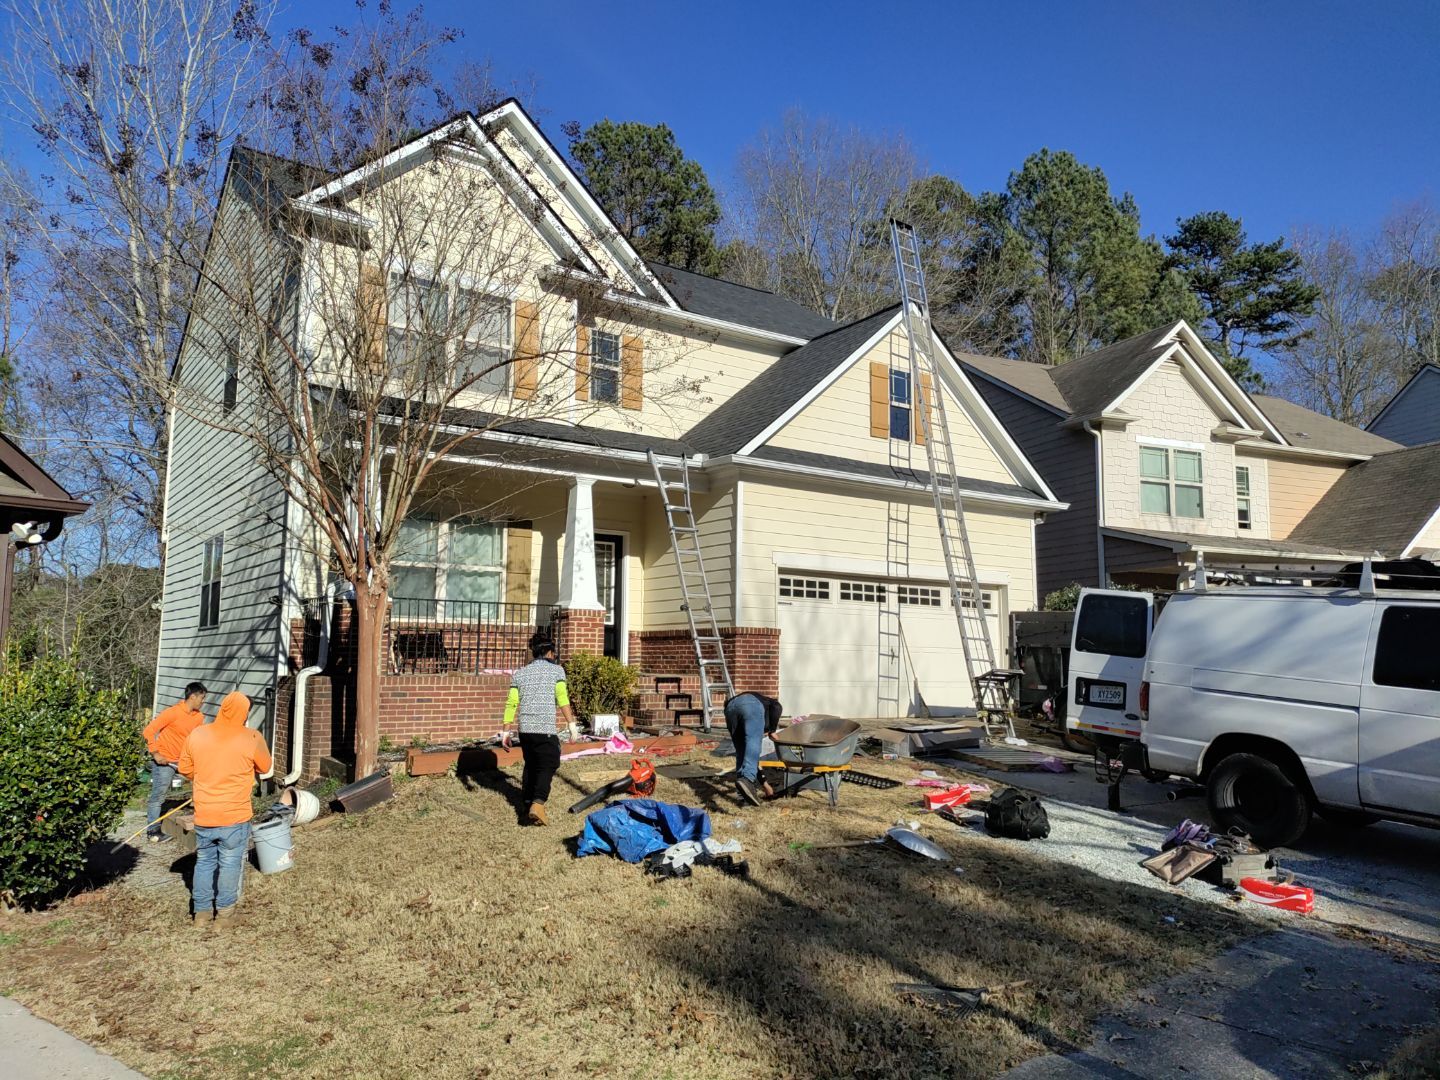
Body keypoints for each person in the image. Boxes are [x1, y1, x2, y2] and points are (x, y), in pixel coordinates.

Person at [177, 691, 272, 925]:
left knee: (204, 861)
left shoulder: (198, 734)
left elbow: (185, 768)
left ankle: (201, 914)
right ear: (244, 713)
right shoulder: (251, 737)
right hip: (234, 816)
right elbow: (265, 766)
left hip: (205, 814)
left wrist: (205, 775)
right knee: (229, 864)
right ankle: (226, 915)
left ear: (222, 709)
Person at [499, 634, 574, 826]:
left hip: (525, 730)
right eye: (554, 653)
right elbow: (562, 698)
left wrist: (506, 731)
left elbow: (511, 703)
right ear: (549, 652)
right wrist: (571, 724)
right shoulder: (557, 671)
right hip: (544, 727)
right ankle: (538, 803)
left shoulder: (520, 673)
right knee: (548, 764)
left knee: (531, 764)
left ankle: (526, 800)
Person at [140, 682, 207, 843]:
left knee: (203, 784)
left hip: (184, 761)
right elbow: (148, 731)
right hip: (165, 761)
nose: (203, 701)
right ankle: (153, 832)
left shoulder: (199, 717)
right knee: (158, 796)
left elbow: (197, 739)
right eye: (202, 698)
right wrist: (155, 753)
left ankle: (204, 821)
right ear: (193, 696)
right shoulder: (172, 713)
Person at [723, 691, 783, 806]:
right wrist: (772, 730)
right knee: (753, 743)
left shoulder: (761, 704)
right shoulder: (768, 703)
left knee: (742, 753)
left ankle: (744, 797)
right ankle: (747, 779)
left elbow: (751, 758)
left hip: (730, 709)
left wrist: (765, 786)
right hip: (750, 704)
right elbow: (777, 707)